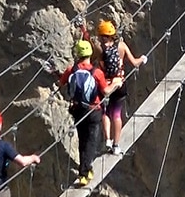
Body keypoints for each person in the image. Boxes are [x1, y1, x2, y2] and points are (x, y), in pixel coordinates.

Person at [59, 39, 108, 187]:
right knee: (92, 142)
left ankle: (85, 170)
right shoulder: (97, 73)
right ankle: (84, 172)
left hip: (78, 110)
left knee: (83, 140)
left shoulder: (71, 70)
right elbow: (105, 91)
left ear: (77, 54)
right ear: (90, 53)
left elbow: (61, 83)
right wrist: (116, 84)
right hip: (93, 111)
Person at [95, 19, 147, 155]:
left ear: (102, 35)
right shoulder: (122, 46)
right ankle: (116, 146)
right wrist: (142, 58)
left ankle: (107, 140)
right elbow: (135, 63)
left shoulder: (99, 48)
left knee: (105, 112)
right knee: (116, 114)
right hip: (120, 84)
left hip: (106, 85)